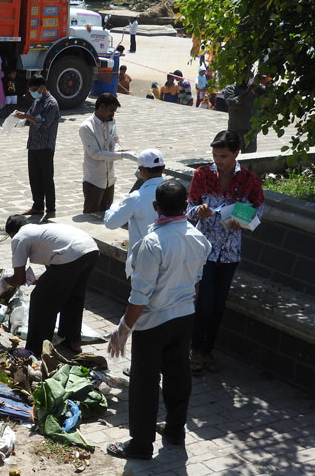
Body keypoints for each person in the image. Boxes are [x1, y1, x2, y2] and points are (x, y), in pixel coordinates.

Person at [105, 180, 211, 460]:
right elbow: (197, 285)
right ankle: (175, 430)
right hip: (184, 317)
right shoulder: (199, 239)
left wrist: (123, 329)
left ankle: (141, 444)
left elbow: (140, 296)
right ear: (186, 206)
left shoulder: (152, 243)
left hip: (153, 324)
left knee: (145, 382)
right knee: (178, 375)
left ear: (155, 207)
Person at [187, 130, 264, 373]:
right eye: (214, 155)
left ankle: (208, 350)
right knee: (204, 303)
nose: (217, 160)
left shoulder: (249, 179)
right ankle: (195, 350)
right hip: (205, 249)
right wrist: (198, 211)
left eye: (223, 156)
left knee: (219, 305)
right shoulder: (201, 175)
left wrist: (241, 220)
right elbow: (189, 207)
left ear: (236, 154)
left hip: (230, 252)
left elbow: (258, 210)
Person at [3, 216, 99, 356]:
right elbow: (55, 271)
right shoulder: (40, 230)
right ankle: (73, 340)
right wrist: (36, 279)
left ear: (11, 233)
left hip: (71, 255)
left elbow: (18, 279)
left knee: (40, 299)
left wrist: (4, 281)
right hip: (90, 250)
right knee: (73, 295)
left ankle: (34, 349)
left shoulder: (19, 237)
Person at [104, 149, 166, 277]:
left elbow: (110, 223)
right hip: (170, 259)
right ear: (163, 168)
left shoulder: (136, 197)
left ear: (142, 170)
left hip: (144, 262)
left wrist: (115, 205)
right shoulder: (175, 191)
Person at [13, 74, 59, 218]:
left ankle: (50, 209)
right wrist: (21, 116)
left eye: (34, 90)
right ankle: (37, 206)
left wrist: (26, 117)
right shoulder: (37, 101)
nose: (32, 93)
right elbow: (30, 116)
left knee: (46, 178)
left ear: (42, 87)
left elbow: (42, 122)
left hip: (45, 146)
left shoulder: (51, 104)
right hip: (33, 145)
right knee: (34, 178)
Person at [78, 93, 130, 213]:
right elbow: (96, 154)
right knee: (91, 213)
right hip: (94, 179)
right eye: (111, 110)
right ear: (101, 107)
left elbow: (115, 139)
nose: (112, 114)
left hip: (109, 178)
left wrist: (118, 149)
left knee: (106, 213)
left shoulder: (111, 121)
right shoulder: (86, 127)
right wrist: (121, 156)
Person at [225, 79, 261, 153]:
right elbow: (232, 103)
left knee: (250, 158)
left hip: (251, 131)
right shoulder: (231, 88)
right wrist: (248, 91)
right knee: (231, 155)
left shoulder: (256, 88)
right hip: (235, 130)